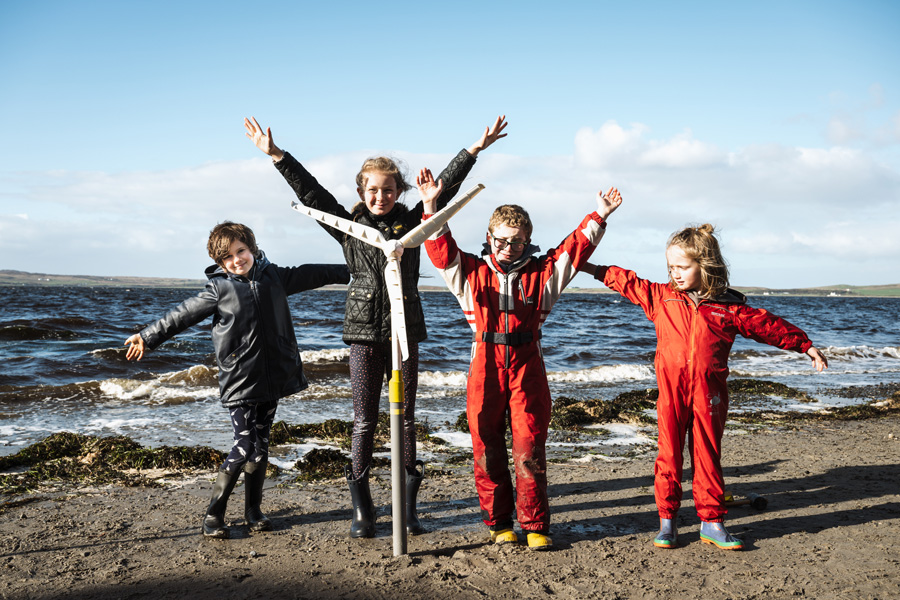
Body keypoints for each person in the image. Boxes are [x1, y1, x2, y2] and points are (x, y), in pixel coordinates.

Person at [244, 115, 508, 538]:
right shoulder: (349, 230)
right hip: (363, 337)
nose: (380, 196)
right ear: (361, 193)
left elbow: (442, 191)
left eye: (388, 189)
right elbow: (311, 192)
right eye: (372, 190)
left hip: (405, 337)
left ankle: (407, 509)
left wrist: (473, 150)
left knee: (405, 420)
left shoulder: (413, 224)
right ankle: (363, 508)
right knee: (364, 421)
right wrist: (277, 155)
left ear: (398, 191)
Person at [580, 224, 828, 550]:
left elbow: (768, 325)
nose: (675, 273)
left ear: (705, 265)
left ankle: (711, 522)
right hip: (671, 393)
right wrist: (584, 265)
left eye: (683, 267)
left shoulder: (728, 308)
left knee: (707, 455)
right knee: (668, 455)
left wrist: (804, 345)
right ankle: (667, 522)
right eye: (671, 267)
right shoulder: (661, 297)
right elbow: (625, 280)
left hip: (709, 395)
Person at [418, 167, 623, 550]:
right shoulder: (471, 272)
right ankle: (499, 523)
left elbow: (572, 250)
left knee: (529, 446)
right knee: (486, 444)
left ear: (527, 240)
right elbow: (439, 248)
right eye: (501, 240)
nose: (507, 248)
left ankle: (535, 524)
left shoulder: (542, 274)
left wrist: (599, 215)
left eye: (516, 241)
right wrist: (431, 204)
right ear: (489, 238)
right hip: (485, 367)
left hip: (528, 366)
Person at [125, 222, 350, 539]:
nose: (236, 260)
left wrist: (353, 268)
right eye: (227, 257)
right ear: (219, 263)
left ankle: (253, 511)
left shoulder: (274, 276)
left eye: (240, 251)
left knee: (260, 448)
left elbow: (313, 273)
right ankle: (213, 515)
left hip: (271, 379)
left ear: (252, 248)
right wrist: (148, 336)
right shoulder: (219, 288)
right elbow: (182, 315)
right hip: (240, 380)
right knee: (244, 445)